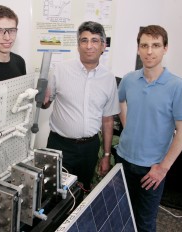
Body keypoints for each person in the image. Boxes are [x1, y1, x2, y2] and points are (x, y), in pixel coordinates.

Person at [115, 25, 182, 232]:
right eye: (144, 45)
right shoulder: (129, 79)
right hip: (123, 159)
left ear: (165, 48)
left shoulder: (177, 86)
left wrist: (163, 168)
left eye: (156, 45)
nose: (149, 51)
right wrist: (128, 126)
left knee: (145, 223)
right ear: (138, 49)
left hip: (151, 169)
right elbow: (120, 101)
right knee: (122, 214)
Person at [42, 21, 120, 192]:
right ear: (78, 45)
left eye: (94, 40)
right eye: (84, 40)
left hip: (89, 148)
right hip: (59, 145)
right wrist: (43, 99)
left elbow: (107, 120)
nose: (89, 45)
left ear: (103, 46)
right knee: (53, 193)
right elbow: (46, 104)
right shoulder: (60, 70)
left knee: (81, 191)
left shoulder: (109, 79)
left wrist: (106, 155)